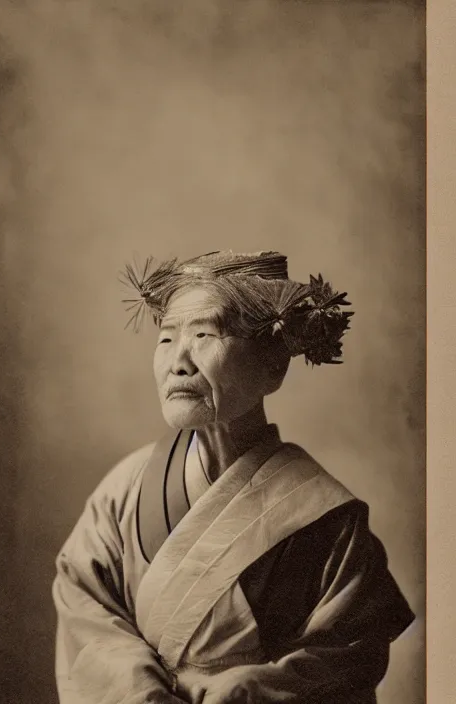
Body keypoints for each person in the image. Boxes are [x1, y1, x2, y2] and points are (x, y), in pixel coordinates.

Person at [52, 251, 414, 704]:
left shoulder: (327, 519)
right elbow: (85, 608)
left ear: (273, 366)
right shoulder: (125, 489)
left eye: (204, 334)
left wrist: (245, 691)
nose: (178, 362)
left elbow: (348, 654)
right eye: (166, 340)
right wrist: (140, 690)